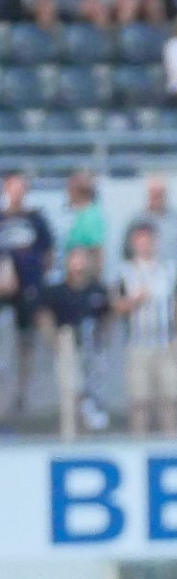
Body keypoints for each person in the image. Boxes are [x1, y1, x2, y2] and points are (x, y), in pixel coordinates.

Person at [116, 221, 177, 437]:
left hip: (167, 343)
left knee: (171, 399)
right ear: (133, 243)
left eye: (148, 240)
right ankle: (139, 442)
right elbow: (116, 307)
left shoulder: (171, 271)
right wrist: (134, 301)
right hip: (138, 344)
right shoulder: (124, 272)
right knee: (139, 401)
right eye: (140, 240)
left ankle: (172, 441)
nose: (145, 244)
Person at [38, 245, 111, 439]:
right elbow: (44, 315)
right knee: (70, 391)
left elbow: (107, 314)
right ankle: (69, 435)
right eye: (74, 259)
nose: (78, 263)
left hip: (92, 341)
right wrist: (53, 340)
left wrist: (104, 337)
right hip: (68, 339)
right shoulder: (57, 290)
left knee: (92, 393)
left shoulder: (97, 289)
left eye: (82, 258)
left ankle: (90, 436)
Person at [0, 170, 55, 418]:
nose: (16, 193)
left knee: (26, 341)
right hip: (4, 291)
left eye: (20, 188)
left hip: (29, 290)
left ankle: (21, 394)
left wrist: (36, 278)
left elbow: (48, 253)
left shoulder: (36, 219)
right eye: (12, 188)